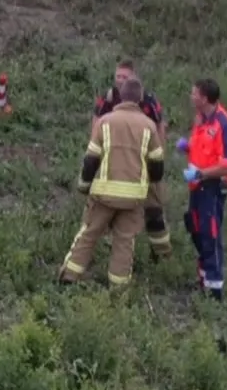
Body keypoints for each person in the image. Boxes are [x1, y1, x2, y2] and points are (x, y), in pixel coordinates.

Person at [59, 74, 166, 287]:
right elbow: (157, 164)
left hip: (104, 194)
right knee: (125, 242)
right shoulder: (149, 126)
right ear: (139, 99)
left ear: (120, 98)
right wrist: (148, 185)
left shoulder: (105, 122)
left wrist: (83, 185)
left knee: (89, 233)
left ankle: (68, 279)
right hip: (134, 198)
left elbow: (91, 160)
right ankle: (118, 289)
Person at [94, 61, 171, 259]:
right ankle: (112, 246)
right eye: (118, 76)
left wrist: (159, 155)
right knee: (107, 205)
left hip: (145, 159)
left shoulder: (147, 100)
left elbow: (160, 126)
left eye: (124, 77)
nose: (120, 81)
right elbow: (96, 124)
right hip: (116, 160)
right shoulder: (108, 98)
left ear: (133, 78)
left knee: (154, 207)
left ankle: (161, 253)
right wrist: (96, 154)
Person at [179, 77, 227, 301]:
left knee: (210, 233)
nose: (191, 96)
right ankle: (203, 277)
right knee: (195, 226)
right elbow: (203, 149)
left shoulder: (224, 124)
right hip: (197, 183)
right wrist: (188, 147)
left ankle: (214, 289)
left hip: (212, 185)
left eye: (194, 93)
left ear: (204, 98)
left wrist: (202, 174)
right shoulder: (201, 120)